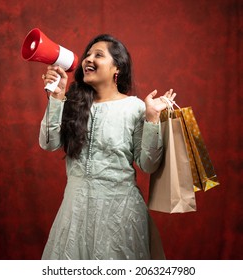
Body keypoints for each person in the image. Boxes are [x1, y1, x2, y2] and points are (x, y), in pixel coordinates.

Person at [39, 34, 176, 260]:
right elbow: (48, 143)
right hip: (75, 213)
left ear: (117, 68)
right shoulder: (73, 103)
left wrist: (152, 118)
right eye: (88, 55)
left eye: (98, 55)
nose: (88, 59)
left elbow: (149, 165)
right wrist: (56, 98)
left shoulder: (135, 107)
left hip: (121, 215)